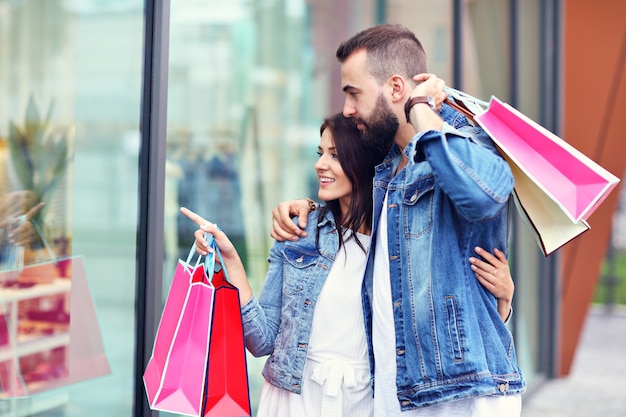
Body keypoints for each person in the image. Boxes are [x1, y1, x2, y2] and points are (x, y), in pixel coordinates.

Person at [181, 112, 516, 417]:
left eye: (336, 155)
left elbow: (436, 329)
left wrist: (502, 301)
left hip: (367, 401)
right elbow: (261, 341)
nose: (320, 164)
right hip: (294, 400)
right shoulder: (299, 231)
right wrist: (230, 259)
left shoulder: (399, 241)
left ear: (364, 162)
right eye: (320, 153)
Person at [269, 24, 526, 416]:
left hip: (461, 395)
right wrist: (307, 208)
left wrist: (420, 108)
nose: (349, 108)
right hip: (399, 393)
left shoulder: (466, 140)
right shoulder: (386, 171)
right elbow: (349, 206)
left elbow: (486, 193)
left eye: (354, 93)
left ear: (394, 88)